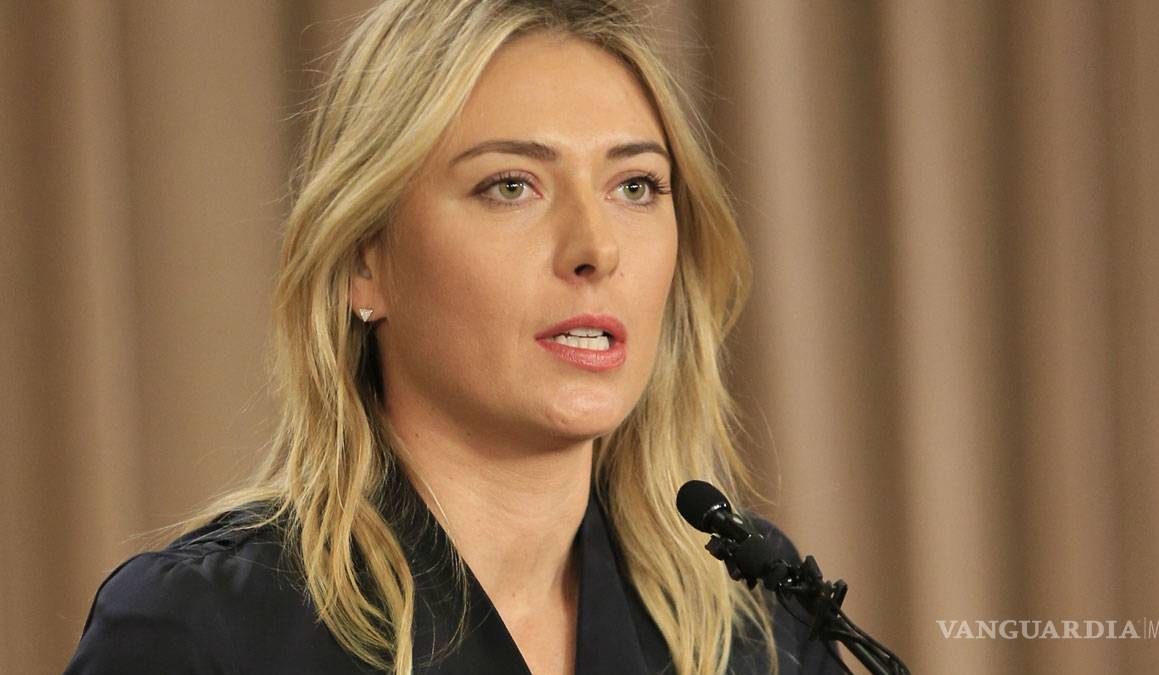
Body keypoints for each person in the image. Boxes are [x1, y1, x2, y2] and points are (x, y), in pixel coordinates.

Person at [65, 1, 842, 673]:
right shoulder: (204, 630)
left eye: (634, 186)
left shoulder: (757, 623)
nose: (596, 248)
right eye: (511, 186)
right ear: (363, 261)